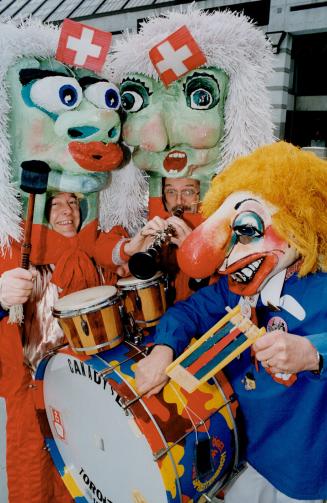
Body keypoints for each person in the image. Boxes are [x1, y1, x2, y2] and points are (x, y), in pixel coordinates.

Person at [135, 142, 327, 503]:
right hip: (240, 454)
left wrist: (314, 353)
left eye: (247, 229)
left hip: (301, 471)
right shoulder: (234, 286)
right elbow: (187, 312)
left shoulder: (322, 286)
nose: (227, 258)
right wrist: (163, 349)